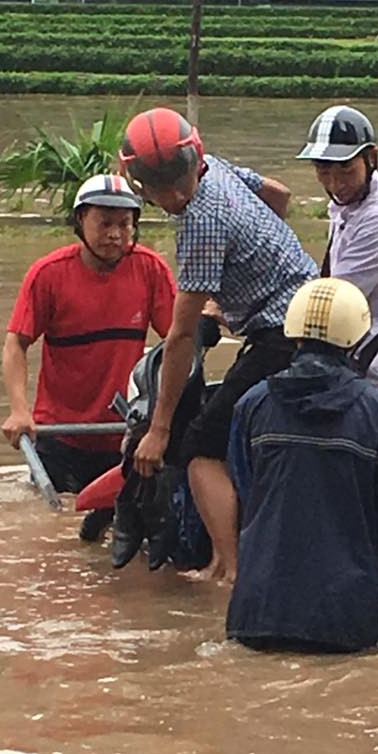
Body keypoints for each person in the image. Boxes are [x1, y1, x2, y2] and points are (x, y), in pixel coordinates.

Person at [119, 106, 318, 583]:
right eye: (164, 187)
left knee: (201, 448)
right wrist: (249, 273)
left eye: (174, 185)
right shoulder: (219, 169)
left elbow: (181, 333)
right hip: (314, 310)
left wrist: (160, 429)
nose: (175, 196)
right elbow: (279, 195)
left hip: (279, 337)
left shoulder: (200, 223)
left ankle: (228, 570)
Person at [226, 277, 378, 653]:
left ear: (293, 334)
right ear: (356, 339)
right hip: (342, 619)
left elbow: (246, 488)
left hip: (256, 612)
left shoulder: (251, 406)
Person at [1, 174, 176, 540]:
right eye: (105, 223)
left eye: (124, 224)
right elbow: (16, 344)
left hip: (125, 438)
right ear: (80, 221)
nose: (114, 234)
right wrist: (20, 410)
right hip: (60, 437)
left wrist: (166, 417)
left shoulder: (150, 270)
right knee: (53, 536)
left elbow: (179, 344)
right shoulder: (48, 275)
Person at [296, 105, 378, 422]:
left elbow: (332, 302)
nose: (335, 184)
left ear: (372, 158)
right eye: (324, 171)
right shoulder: (348, 204)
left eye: (346, 170)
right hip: (354, 376)